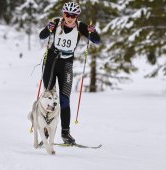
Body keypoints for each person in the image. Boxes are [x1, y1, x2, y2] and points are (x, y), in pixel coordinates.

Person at [39, 2, 100, 144]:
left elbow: (96, 41)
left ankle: (65, 133)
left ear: (77, 16)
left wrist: (93, 32)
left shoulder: (81, 27)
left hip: (66, 65)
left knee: (64, 99)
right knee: (49, 97)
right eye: (67, 14)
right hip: (51, 63)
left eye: (73, 15)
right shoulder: (56, 22)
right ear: (63, 14)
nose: (70, 18)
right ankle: (46, 130)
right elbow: (42, 36)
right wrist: (48, 29)